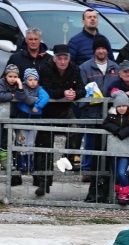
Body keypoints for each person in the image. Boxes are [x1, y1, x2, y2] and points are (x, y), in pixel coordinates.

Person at [37, 44, 86, 196]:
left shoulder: (75, 69)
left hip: (66, 110)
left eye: (65, 58)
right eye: (60, 58)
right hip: (48, 111)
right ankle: (44, 181)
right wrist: (62, 93)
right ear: (54, 58)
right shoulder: (45, 68)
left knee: (75, 130)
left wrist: (74, 94)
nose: (63, 62)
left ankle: (67, 158)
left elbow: (82, 89)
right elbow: (44, 88)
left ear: (69, 59)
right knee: (44, 147)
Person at [80, 35, 119, 199]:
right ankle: (93, 190)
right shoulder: (85, 68)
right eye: (98, 48)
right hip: (94, 117)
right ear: (94, 50)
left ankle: (107, 190)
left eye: (104, 48)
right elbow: (82, 92)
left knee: (110, 154)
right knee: (94, 154)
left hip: (112, 117)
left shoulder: (115, 67)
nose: (101, 51)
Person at [102, 91, 129, 205]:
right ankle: (120, 192)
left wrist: (124, 132)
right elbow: (105, 124)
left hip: (126, 150)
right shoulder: (111, 116)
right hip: (114, 149)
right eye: (119, 106)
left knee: (121, 172)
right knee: (116, 173)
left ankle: (125, 194)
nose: (121, 108)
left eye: (124, 106)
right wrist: (116, 130)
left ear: (128, 106)